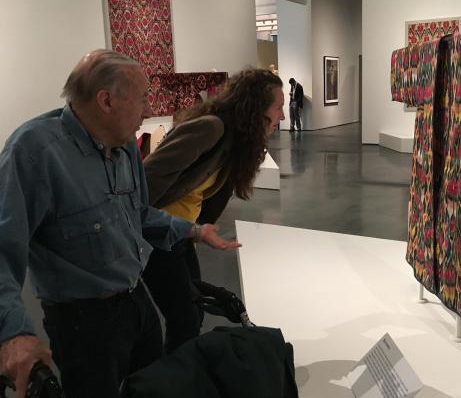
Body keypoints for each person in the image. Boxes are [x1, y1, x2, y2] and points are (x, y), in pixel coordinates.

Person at [0, 49, 237, 398]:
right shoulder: (34, 152)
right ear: (106, 101)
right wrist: (13, 332)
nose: (147, 111)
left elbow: (139, 213)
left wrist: (193, 230)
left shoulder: (124, 146)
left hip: (135, 301)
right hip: (82, 324)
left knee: (153, 386)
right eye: (142, 99)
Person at [142, 68, 285, 352]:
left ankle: (182, 374)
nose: (282, 116)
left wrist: (195, 231)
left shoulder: (236, 138)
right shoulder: (211, 128)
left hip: (181, 236)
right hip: (158, 235)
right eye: (278, 107)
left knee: (192, 312)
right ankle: (174, 379)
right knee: (184, 317)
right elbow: (146, 179)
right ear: (256, 107)